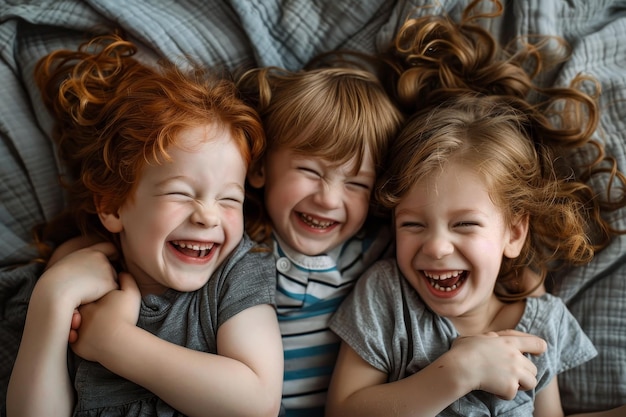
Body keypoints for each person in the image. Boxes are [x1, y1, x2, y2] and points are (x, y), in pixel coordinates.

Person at [326, 3, 626, 417]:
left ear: (514, 234)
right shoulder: (387, 298)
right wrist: (456, 374)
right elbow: (342, 410)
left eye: (464, 224)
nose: (435, 247)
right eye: (412, 224)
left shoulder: (542, 324)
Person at [6, 33, 283, 417]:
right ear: (114, 206)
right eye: (181, 193)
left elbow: (256, 404)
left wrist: (113, 340)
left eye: (229, 199)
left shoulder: (236, 273)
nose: (208, 215)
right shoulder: (75, 277)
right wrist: (51, 300)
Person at [236, 62, 403, 416]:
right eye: (310, 171)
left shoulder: (379, 250)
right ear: (260, 167)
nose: (328, 199)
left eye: (356, 184)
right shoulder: (236, 246)